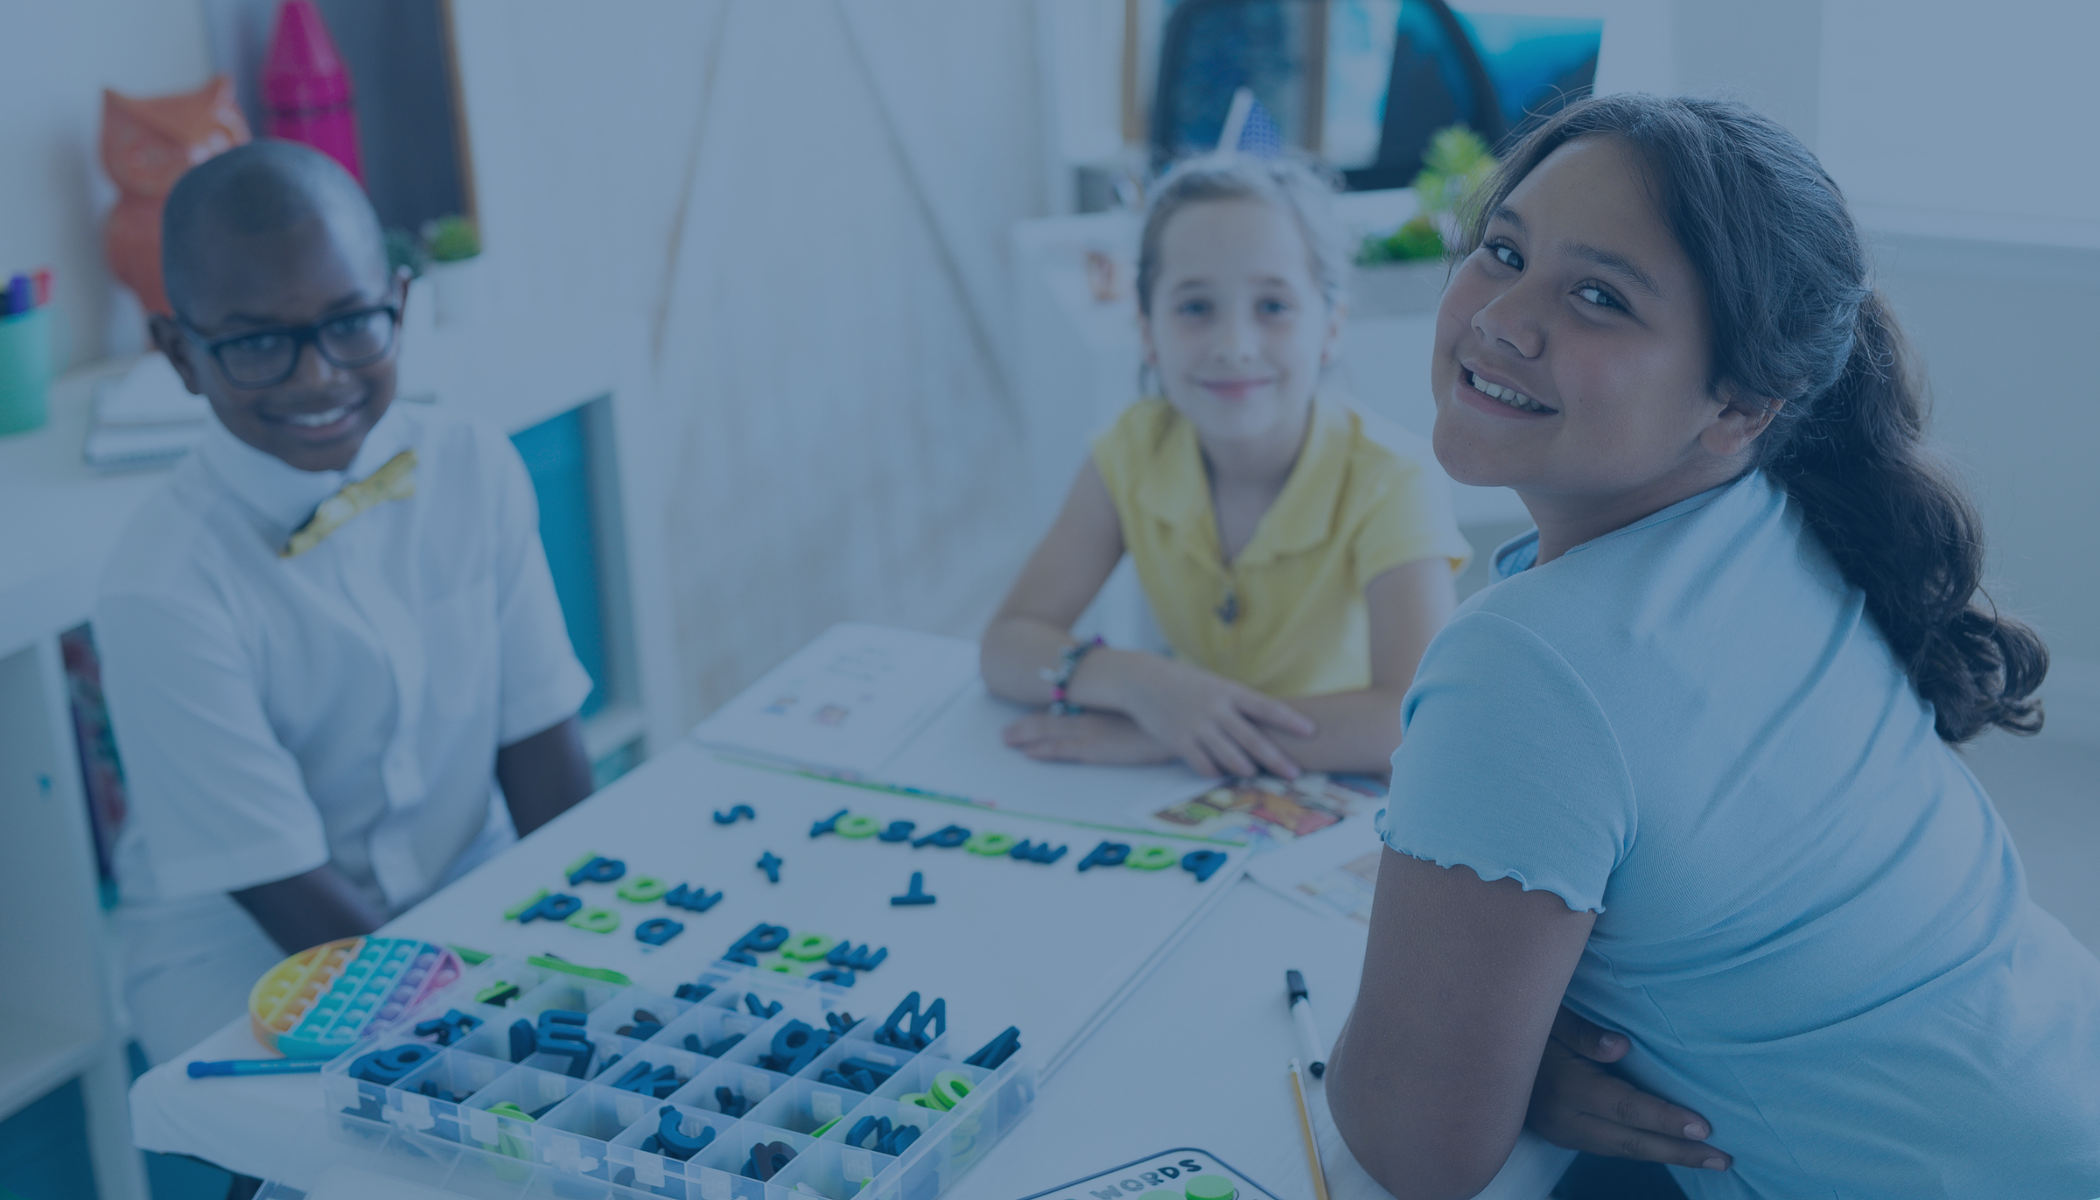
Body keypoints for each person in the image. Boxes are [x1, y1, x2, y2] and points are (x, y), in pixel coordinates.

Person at [1324, 94, 2100, 1199]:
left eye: (1600, 296)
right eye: (1503, 251)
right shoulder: (1785, 512)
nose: (1503, 317)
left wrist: (1501, 1071)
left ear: (1739, 404)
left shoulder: (1529, 665)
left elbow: (1415, 1148)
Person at [96, 140, 596, 1066]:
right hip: (250, 949)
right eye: (254, 342)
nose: (317, 375)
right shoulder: (159, 587)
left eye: (351, 324)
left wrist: (589, 939)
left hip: (466, 876)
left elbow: (541, 744)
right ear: (178, 354)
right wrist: (477, 1038)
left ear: (399, 305)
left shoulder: (472, 465)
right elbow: (283, 890)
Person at [982, 155, 1470, 779]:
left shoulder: (1392, 479)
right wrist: (1140, 683)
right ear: (1147, 332)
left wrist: (1176, 735)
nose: (1234, 344)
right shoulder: (1131, 451)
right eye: (1194, 308)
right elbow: (1007, 644)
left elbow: (1406, 723)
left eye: (1272, 306)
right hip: (1192, 795)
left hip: (1334, 794)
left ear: (1331, 328)